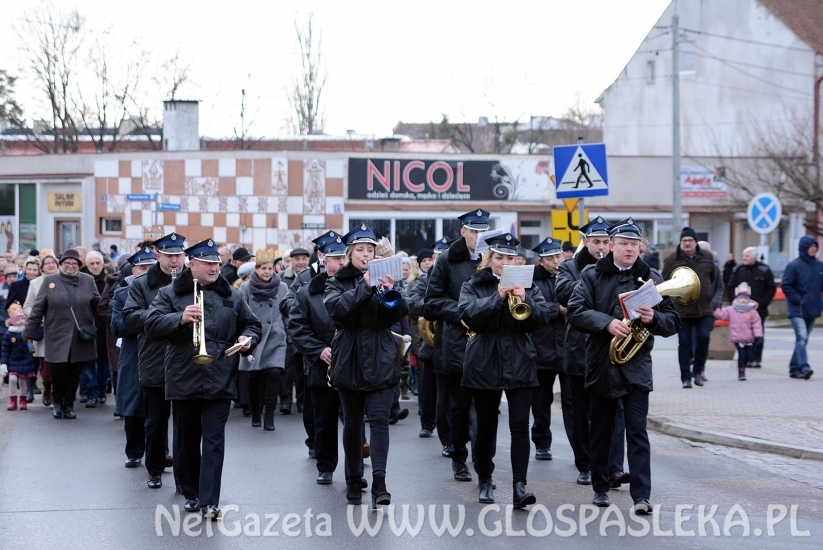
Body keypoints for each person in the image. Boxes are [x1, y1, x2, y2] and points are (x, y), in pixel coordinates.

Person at [568, 218, 680, 513]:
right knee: (602, 430)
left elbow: (672, 321)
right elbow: (577, 311)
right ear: (612, 246)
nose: (630, 249)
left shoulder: (651, 277)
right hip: (602, 363)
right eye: (624, 244)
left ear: (640, 247)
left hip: (637, 365)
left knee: (637, 432)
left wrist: (653, 319)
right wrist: (606, 323)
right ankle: (601, 487)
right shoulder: (592, 274)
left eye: (635, 244)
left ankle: (641, 496)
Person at [145, 238, 261, 520]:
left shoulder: (232, 295)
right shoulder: (171, 293)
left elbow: (252, 324)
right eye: (207, 263)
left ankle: (210, 500)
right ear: (192, 264)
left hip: (219, 374)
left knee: (213, 440)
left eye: (216, 263)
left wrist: (249, 339)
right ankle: (192, 491)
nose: (213, 267)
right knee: (185, 440)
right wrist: (180, 318)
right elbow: (150, 324)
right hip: (183, 374)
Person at [460, 233, 549, 507]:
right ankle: (485, 480)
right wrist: (497, 297)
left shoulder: (528, 284)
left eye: (510, 258)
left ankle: (519, 487)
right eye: (500, 257)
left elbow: (543, 317)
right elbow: (466, 313)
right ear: (490, 258)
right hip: (484, 358)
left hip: (520, 357)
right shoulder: (474, 283)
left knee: (520, 426)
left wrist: (527, 300)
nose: (505, 262)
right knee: (486, 426)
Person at [324, 224, 408, 507]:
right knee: (352, 423)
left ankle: (380, 484)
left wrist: (391, 292)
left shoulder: (387, 276)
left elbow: (397, 314)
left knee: (380, 422)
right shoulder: (337, 281)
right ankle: (352, 478)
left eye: (370, 249)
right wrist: (365, 286)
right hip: (349, 357)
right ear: (349, 254)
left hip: (381, 355)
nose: (365, 254)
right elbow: (338, 311)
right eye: (360, 249)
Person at [557, 216, 628, 487]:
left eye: (604, 242)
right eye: (595, 241)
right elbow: (565, 296)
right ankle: (585, 464)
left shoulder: (619, 269)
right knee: (581, 412)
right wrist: (597, 275)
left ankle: (614, 467)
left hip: (613, 350)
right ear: (586, 242)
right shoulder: (570, 268)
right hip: (579, 349)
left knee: (616, 409)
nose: (600, 247)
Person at [425, 209, 491, 483]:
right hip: (455, 343)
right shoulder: (446, 260)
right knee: (459, 408)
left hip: (487, 344)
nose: (479, 237)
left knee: (485, 410)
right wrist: (461, 312)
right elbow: (431, 302)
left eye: (483, 231)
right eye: (474, 231)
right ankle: (459, 459)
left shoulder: (495, 259)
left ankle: (482, 465)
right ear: (463, 232)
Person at [290, 232, 359, 485]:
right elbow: (297, 327)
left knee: (353, 418)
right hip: (323, 362)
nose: (341, 263)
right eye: (335, 258)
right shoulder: (307, 291)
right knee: (325, 418)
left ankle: (354, 470)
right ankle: (326, 465)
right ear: (322, 259)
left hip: (353, 361)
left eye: (344, 258)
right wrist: (318, 350)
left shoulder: (357, 285)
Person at [122, 232, 185, 489]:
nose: (174, 262)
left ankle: (184, 477)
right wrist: (164, 315)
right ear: (157, 255)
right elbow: (130, 319)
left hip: (185, 360)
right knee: (156, 421)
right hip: (154, 359)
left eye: (178, 256)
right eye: (169, 256)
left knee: (184, 425)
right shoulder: (140, 284)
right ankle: (155, 469)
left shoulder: (193, 281)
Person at [23, 249, 100, 420]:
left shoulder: (87, 280)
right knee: (58, 372)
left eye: (74, 263)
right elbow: (37, 309)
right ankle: (57, 404)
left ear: (79, 265)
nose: (71, 266)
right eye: (67, 263)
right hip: (57, 336)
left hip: (80, 337)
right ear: (61, 264)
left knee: (74, 374)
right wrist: (28, 331)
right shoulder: (50, 281)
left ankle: (69, 405)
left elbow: (98, 304)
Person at [109, 247, 155, 470]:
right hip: (134, 354)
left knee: (157, 409)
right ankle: (134, 451)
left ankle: (159, 453)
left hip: (158, 354)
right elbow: (117, 326)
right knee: (134, 407)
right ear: (133, 270)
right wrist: (148, 321)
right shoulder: (122, 293)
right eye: (142, 268)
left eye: (151, 268)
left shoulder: (164, 290)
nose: (146, 273)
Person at [529, 236, 572, 462]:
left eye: (559, 256)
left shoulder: (568, 276)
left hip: (567, 351)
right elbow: (529, 306)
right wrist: (557, 309)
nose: (557, 261)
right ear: (541, 261)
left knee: (573, 405)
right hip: (541, 350)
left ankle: (579, 449)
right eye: (551, 258)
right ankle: (542, 443)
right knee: (541, 403)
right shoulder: (532, 281)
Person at [662, 227, 718, 388]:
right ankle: (685, 377)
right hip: (682, 309)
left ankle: (698, 372)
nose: (687, 243)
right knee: (684, 343)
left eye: (690, 240)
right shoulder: (672, 259)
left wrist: (708, 295)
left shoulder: (707, 257)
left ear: (695, 242)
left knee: (703, 338)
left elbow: (712, 277)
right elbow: (665, 282)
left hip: (704, 308)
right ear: (680, 242)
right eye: (684, 240)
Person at [238, 248, 288, 430]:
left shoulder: (282, 287)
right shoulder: (245, 287)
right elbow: (241, 314)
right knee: (255, 376)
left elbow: (287, 312)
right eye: (262, 268)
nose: (266, 272)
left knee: (274, 373)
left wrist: (288, 334)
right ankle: (256, 410)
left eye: (269, 268)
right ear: (255, 270)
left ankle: (269, 414)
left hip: (276, 337)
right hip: (254, 337)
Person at [726, 247, 776, 368]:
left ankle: (756, 359)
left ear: (754, 257)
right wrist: (735, 302)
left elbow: (771, 288)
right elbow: (730, 286)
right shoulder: (738, 270)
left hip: (759, 310)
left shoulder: (764, 269)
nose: (744, 258)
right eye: (743, 256)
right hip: (741, 311)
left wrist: (762, 303)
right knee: (744, 335)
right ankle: (745, 358)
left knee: (758, 334)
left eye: (747, 256)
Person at [781, 236, 822, 380]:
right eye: (811, 246)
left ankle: (794, 369)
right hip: (797, 309)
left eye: (815, 246)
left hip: (813, 308)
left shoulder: (819, 266)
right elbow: (786, 285)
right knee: (802, 336)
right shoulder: (794, 266)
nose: (814, 249)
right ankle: (804, 367)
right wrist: (798, 300)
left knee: (803, 340)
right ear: (804, 247)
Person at [23, 252, 59, 406]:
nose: (51, 265)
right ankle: (47, 389)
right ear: (42, 267)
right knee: (45, 368)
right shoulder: (35, 283)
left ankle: (58, 395)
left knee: (60, 366)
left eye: (53, 262)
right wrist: (38, 317)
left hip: (61, 329)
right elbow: (27, 306)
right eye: (47, 263)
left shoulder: (65, 280)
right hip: (43, 330)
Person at [408, 247, 437, 438]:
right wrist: (434, 306)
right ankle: (427, 423)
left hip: (459, 343)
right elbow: (412, 302)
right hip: (432, 343)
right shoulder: (425, 280)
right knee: (428, 388)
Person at [713, 283, 763, 381]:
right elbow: (722, 315)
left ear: (748, 299)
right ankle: (741, 372)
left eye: (745, 298)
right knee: (742, 355)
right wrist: (715, 309)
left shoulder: (752, 312)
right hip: (738, 338)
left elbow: (756, 325)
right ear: (737, 298)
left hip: (749, 338)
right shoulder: (731, 310)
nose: (743, 300)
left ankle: (745, 365)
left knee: (749, 356)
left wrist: (758, 335)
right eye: (741, 298)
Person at [80, 251, 110, 407]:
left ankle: (101, 389)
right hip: (86, 327)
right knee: (88, 363)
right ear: (87, 265)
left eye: (98, 263)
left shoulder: (108, 282)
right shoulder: (81, 281)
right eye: (92, 263)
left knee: (104, 363)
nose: (95, 266)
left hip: (104, 328)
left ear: (103, 264)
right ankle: (92, 393)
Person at [3, 311, 43, 410]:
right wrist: (3, 362)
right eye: (18, 319)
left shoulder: (28, 331)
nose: (21, 321)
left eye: (22, 319)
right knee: (12, 380)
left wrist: (41, 326)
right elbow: (5, 349)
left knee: (23, 381)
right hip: (13, 361)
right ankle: (13, 401)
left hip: (26, 360)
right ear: (13, 321)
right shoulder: (9, 333)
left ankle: (23, 401)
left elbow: (38, 337)